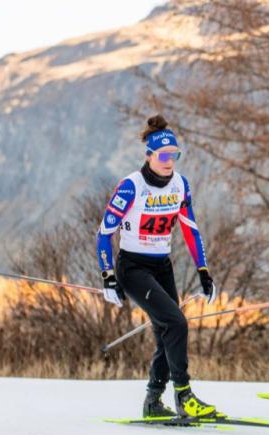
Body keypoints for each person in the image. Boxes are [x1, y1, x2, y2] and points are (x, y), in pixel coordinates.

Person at [96, 115, 218, 418]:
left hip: (162, 265)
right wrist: (108, 275)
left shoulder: (180, 184)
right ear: (149, 156)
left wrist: (203, 271)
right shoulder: (131, 187)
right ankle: (184, 395)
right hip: (133, 267)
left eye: (174, 155)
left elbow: (191, 229)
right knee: (176, 323)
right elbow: (103, 233)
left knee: (167, 330)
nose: (169, 161)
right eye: (163, 156)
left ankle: (153, 401)